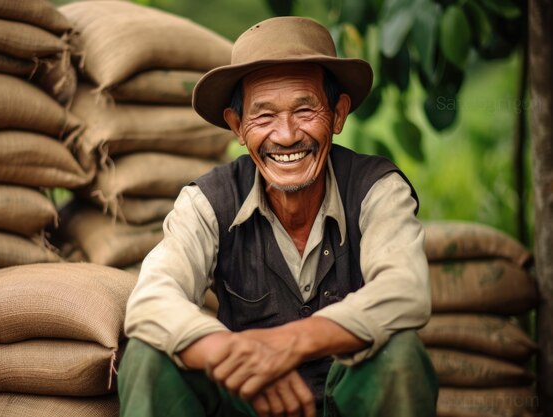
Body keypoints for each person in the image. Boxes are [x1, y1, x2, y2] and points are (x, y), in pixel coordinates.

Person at [118, 16, 438, 417]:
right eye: (264, 116)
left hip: (344, 403)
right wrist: (232, 352)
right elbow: (150, 299)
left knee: (400, 353)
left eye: (305, 110)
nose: (286, 135)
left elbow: (405, 288)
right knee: (149, 355)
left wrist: (293, 341)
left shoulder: (376, 188)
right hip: (247, 405)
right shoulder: (208, 201)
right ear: (237, 127)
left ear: (338, 115)